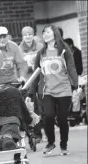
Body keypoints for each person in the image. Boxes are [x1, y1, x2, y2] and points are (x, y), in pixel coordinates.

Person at [26, 24, 78, 156]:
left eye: (48, 32)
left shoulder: (64, 51)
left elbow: (71, 68)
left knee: (62, 119)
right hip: (47, 90)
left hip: (64, 89)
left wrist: (76, 86)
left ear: (55, 34)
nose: (45, 34)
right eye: (43, 33)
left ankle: (63, 145)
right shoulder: (41, 53)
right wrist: (30, 93)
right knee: (48, 116)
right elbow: (36, 74)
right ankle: (50, 142)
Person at [19, 26, 44, 143]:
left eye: (30, 34)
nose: (28, 37)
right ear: (22, 37)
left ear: (33, 35)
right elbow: (20, 65)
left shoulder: (40, 46)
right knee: (33, 106)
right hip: (29, 81)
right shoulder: (19, 49)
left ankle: (46, 128)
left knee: (44, 105)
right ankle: (37, 133)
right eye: (25, 35)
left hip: (42, 78)